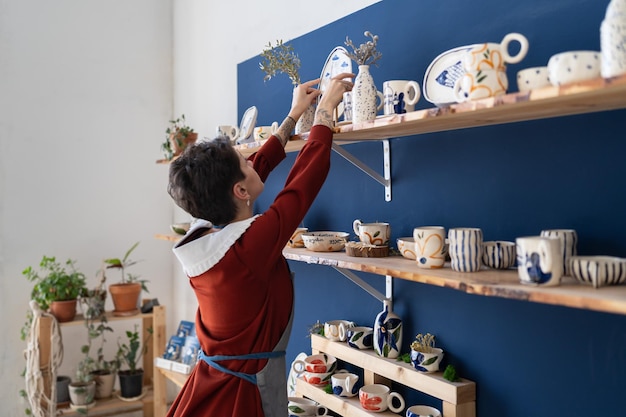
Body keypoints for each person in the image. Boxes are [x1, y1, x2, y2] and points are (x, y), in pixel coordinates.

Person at [166, 72, 354, 417]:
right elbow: (301, 186)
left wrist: (294, 114)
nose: (253, 163)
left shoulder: (206, 228)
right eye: (245, 163)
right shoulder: (247, 249)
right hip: (242, 395)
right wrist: (326, 109)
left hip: (213, 381)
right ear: (240, 191)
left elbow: (258, 169)